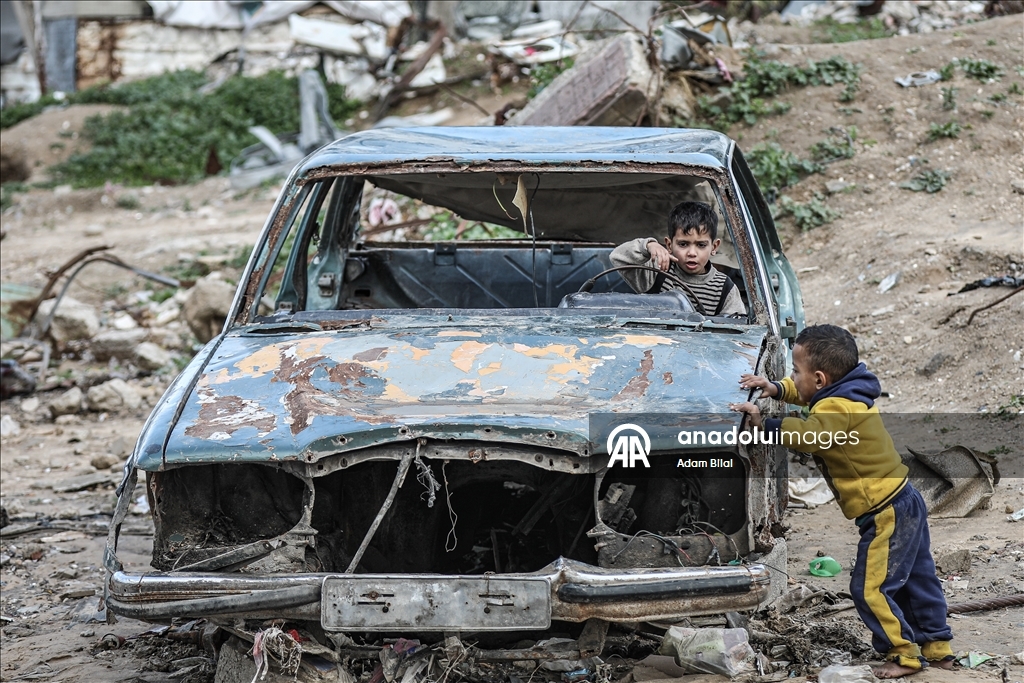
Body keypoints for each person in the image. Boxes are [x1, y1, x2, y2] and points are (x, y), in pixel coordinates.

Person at [730, 324, 953, 679]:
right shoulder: (845, 392)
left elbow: (813, 435)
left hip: (885, 512)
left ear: (820, 378)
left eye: (795, 372)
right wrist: (776, 388)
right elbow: (808, 396)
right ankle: (938, 649)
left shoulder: (833, 407)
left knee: (869, 588)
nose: (792, 377)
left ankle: (903, 655)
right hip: (904, 498)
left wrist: (766, 424)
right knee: (918, 580)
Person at [609, 201, 745, 316]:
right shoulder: (658, 271)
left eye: (701, 245)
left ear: (714, 247)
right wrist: (649, 245)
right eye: (683, 244)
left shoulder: (725, 288)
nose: (692, 253)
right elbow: (618, 257)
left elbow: (736, 329)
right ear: (669, 245)